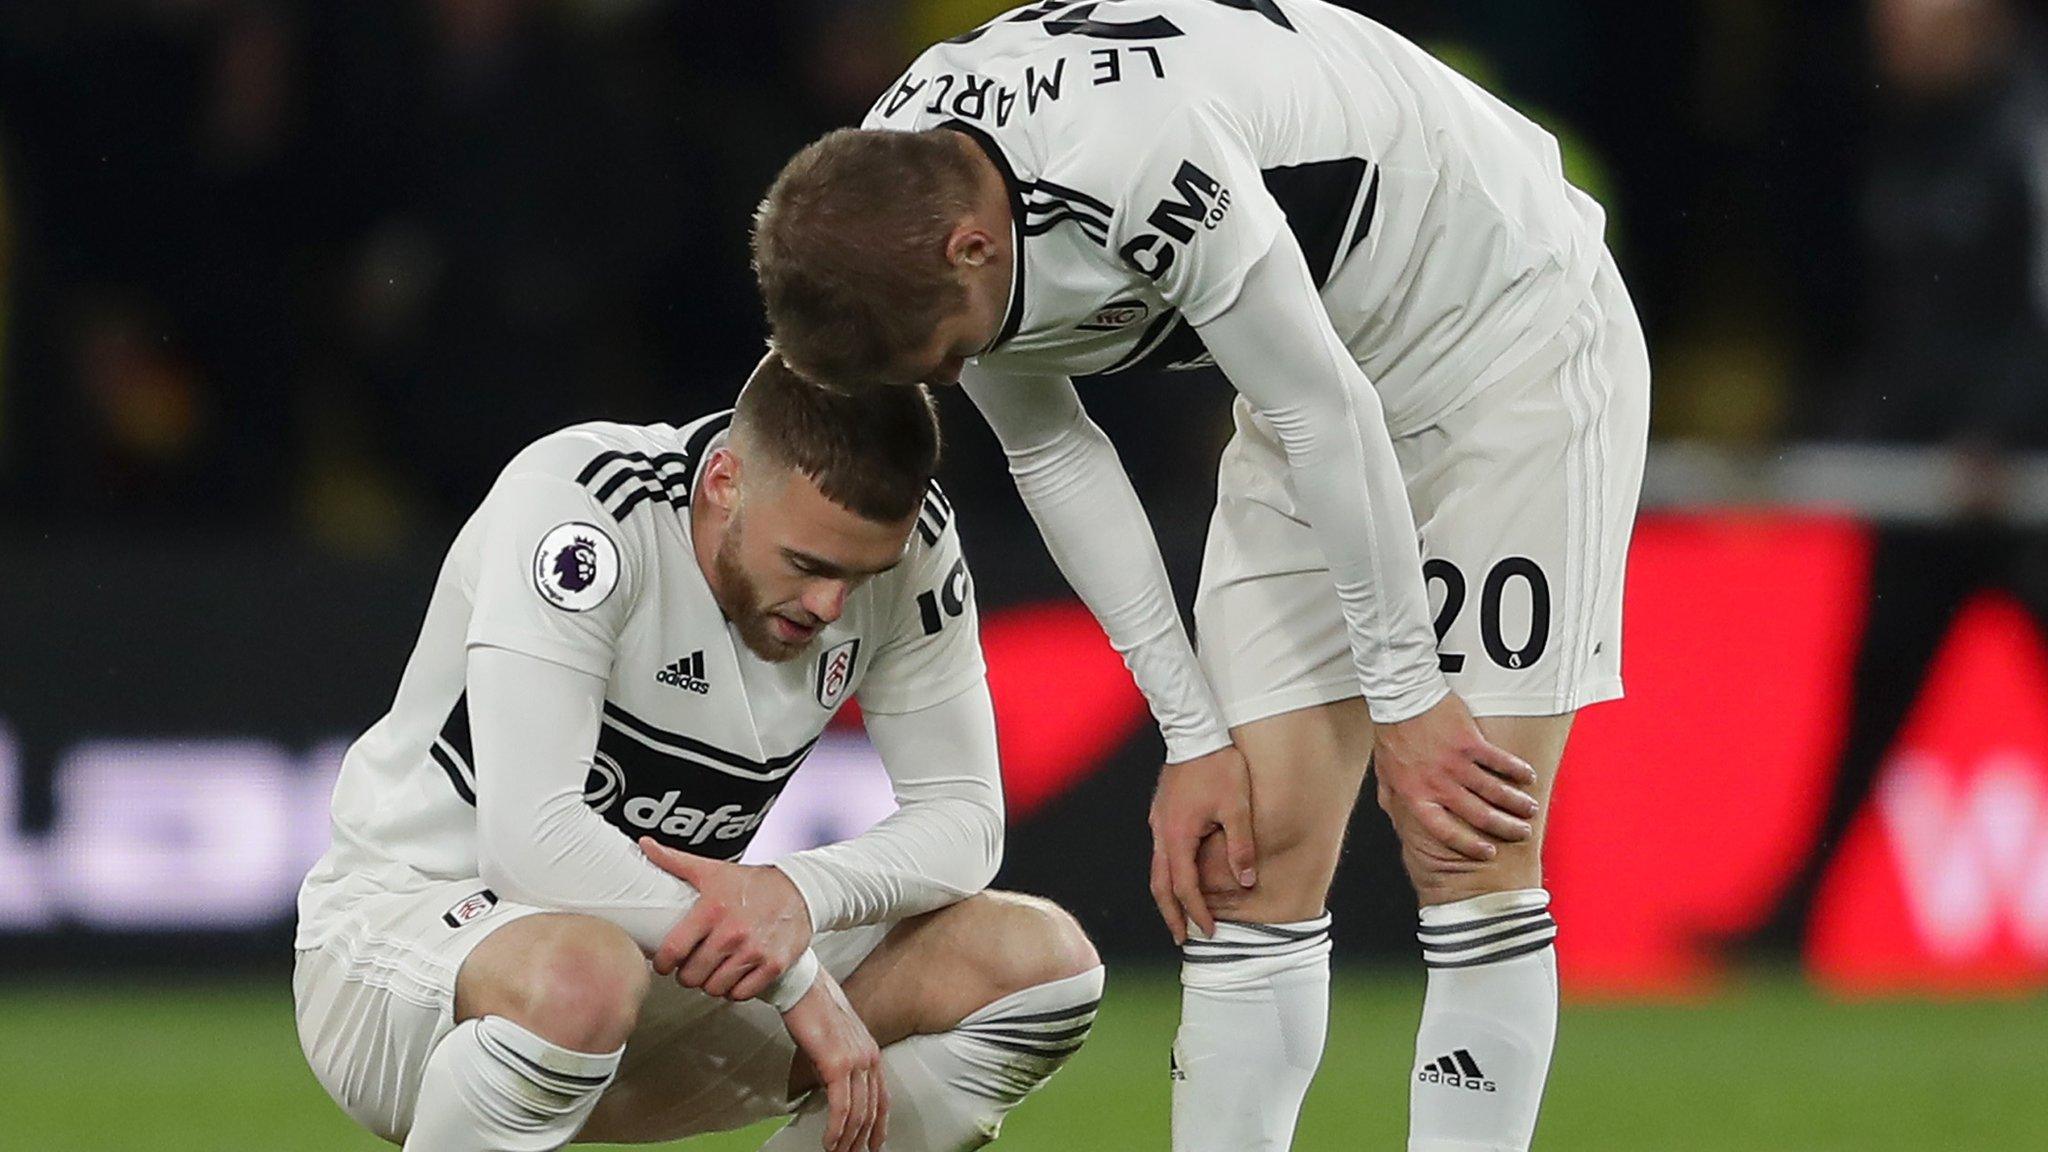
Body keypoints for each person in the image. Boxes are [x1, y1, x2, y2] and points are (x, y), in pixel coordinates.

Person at [750, 3, 1649, 1150]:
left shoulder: (1134, 156)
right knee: (1245, 859)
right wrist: (1189, 734)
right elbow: (1049, 448)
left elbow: (1319, 410)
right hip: (1315, 370)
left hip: (1502, 331)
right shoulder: (903, 188)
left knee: (1465, 840)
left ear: (972, 248)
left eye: (952, 353)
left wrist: (1410, 699)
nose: (956, 373)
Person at [291, 354, 1103, 1152]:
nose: (831, 605)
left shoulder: (913, 548)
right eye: (809, 565)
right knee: (585, 971)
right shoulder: (585, 510)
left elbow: (967, 821)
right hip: (406, 955)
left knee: (1043, 966)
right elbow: (529, 847)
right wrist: (796, 977)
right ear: (723, 481)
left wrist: (793, 895)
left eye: (862, 576)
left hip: (668, 975)